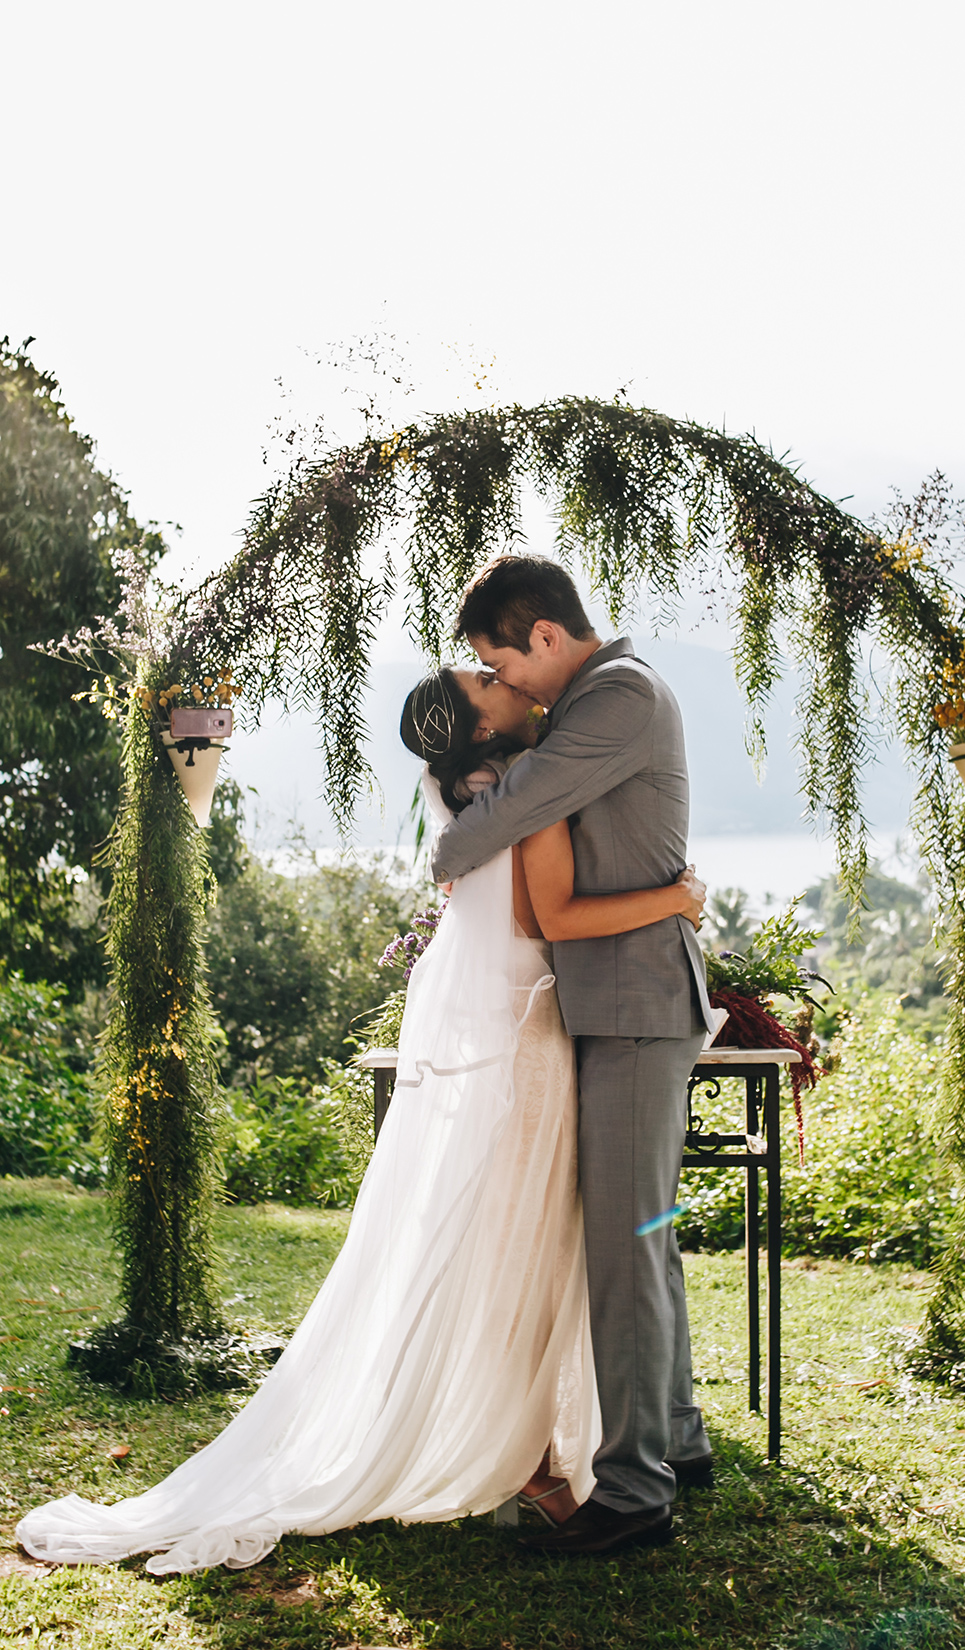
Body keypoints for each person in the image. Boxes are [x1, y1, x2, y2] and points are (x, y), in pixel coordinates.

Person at [17, 658, 706, 1574]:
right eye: (487, 679)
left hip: (518, 1042)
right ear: (484, 728)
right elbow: (558, 917)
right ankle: (535, 1457)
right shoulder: (526, 798)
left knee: (513, 1253)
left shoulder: (472, 798)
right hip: (535, 1047)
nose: (507, 681)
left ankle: (541, 1449)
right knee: (531, 1257)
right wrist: (680, 898)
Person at [431, 555, 720, 1558]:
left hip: (637, 1005)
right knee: (643, 1236)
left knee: (624, 1245)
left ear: (543, 635)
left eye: (500, 666)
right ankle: (675, 1443)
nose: (505, 687)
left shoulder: (618, 696)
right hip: (623, 1005)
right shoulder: (598, 698)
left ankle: (634, 1491)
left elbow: (515, 806)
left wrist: (440, 854)